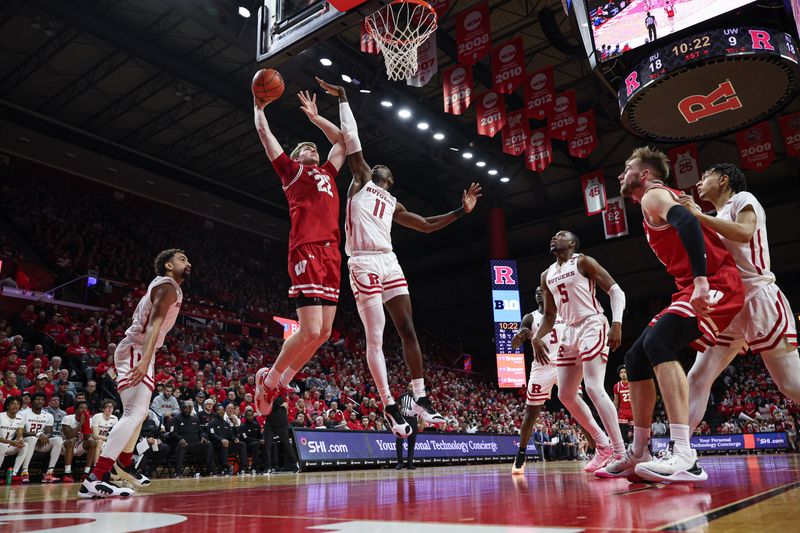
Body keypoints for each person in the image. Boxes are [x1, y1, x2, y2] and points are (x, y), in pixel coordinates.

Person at [316, 77, 480, 436]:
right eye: (378, 166)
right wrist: (344, 99)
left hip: (389, 260)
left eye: (385, 170)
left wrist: (460, 211)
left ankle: (420, 398)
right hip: (361, 260)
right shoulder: (361, 180)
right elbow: (353, 140)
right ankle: (390, 404)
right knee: (377, 337)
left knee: (407, 328)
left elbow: (425, 224)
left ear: (391, 181)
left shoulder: (393, 202)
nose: (380, 167)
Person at [602, 147, 744, 482]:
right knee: (635, 358)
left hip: (714, 282)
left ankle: (685, 455)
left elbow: (687, 223)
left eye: (627, 167)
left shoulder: (654, 195)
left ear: (646, 174)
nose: (621, 175)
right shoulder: (653, 201)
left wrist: (699, 281)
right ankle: (639, 452)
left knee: (660, 343)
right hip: (692, 285)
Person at [677, 164, 799, 430]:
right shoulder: (716, 215)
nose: (698, 183)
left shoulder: (743, 199)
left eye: (705, 176)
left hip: (758, 295)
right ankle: (681, 451)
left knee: (790, 384)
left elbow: (744, 232)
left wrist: (698, 216)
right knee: (697, 376)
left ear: (723, 180)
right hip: (730, 303)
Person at [252, 88, 347, 417]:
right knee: (308, 330)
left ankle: (283, 380)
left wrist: (315, 117)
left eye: (314, 147)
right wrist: (258, 106)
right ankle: (269, 377)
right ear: (296, 156)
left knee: (323, 333)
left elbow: (342, 143)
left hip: (332, 254)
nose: (311, 146)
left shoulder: (329, 173)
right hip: (306, 249)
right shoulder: (291, 172)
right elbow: (265, 135)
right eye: (304, 146)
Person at [80, 249, 190, 498]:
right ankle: (96, 476)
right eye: (182, 259)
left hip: (140, 350)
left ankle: (123, 463)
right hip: (138, 350)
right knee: (135, 413)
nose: (188, 262)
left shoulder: (168, 287)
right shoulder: (167, 285)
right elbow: (153, 324)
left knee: (139, 416)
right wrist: (145, 360)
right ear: (168, 266)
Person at [531, 230, 627, 473]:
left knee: (594, 387)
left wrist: (617, 323)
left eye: (560, 235)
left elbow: (616, 291)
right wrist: (536, 337)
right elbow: (550, 315)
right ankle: (602, 445)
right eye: (552, 236)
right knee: (565, 394)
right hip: (569, 330)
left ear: (572, 243)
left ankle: (620, 452)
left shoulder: (584, 262)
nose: (553, 237)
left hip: (592, 323)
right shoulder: (546, 274)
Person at [509, 287, 566, 474]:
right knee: (530, 416)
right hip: (541, 368)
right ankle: (521, 454)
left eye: (542, 290)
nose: (538, 293)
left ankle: (601, 449)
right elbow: (514, 344)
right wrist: (520, 336)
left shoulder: (563, 312)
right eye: (536, 292)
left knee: (580, 407)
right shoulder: (530, 318)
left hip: (565, 364)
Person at [18, 392, 64, 483]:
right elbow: (21, 432)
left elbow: (49, 432)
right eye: (37, 399)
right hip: (26, 442)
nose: (40, 401)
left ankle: (49, 473)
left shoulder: (48, 415)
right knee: (32, 439)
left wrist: (45, 437)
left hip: (41, 443)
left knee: (58, 439)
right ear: (32, 401)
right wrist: (38, 435)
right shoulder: (23, 414)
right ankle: (24, 472)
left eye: (42, 400)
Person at [168, 401, 214, 477]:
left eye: (188, 409)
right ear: (181, 409)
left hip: (195, 444)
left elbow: (200, 431)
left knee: (208, 445)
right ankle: (178, 473)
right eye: (185, 408)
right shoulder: (176, 419)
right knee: (180, 447)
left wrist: (203, 437)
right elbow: (172, 433)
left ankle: (211, 471)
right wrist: (180, 439)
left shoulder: (194, 418)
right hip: (184, 444)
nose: (187, 410)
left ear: (191, 409)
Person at [61, 400, 96, 482]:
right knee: (71, 441)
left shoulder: (89, 420)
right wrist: (80, 423)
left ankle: (86, 473)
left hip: (79, 445)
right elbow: (68, 436)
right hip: (65, 446)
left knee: (93, 443)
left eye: (86, 408)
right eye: (81, 408)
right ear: (75, 410)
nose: (84, 410)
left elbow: (86, 438)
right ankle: (67, 473)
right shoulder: (67, 418)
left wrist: (86, 423)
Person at [263, 395, 298, 473]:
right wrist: (278, 406)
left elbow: (281, 405)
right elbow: (267, 408)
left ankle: (295, 463)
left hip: (281, 423)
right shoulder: (266, 394)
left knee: (286, 443)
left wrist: (278, 406)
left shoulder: (281, 394)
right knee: (267, 445)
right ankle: (268, 467)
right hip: (270, 423)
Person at [0, 396, 28, 483]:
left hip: (8, 445)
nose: (15, 406)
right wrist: (10, 442)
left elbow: (20, 434)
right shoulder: (1, 416)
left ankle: (14, 473)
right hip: (2, 444)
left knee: (25, 445)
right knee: (2, 446)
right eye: (12, 404)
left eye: (18, 404)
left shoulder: (21, 418)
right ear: (7, 406)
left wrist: (20, 441)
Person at [395, 385, 419, 470]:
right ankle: (400, 463)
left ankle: (410, 463)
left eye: (413, 386)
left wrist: (421, 421)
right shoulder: (402, 396)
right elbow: (396, 407)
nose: (411, 388)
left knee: (411, 443)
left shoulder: (418, 398)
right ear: (407, 388)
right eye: (410, 386)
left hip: (413, 420)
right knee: (399, 441)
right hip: (403, 420)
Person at [613, 365, 633, 444]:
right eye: (622, 372)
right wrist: (614, 412)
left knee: (635, 435)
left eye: (625, 372)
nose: (623, 374)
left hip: (633, 411)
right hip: (623, 411)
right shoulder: (617, 386)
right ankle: (625, 449)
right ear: (619, 374)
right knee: (623, 434)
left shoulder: (633, 384)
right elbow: (616, 402)